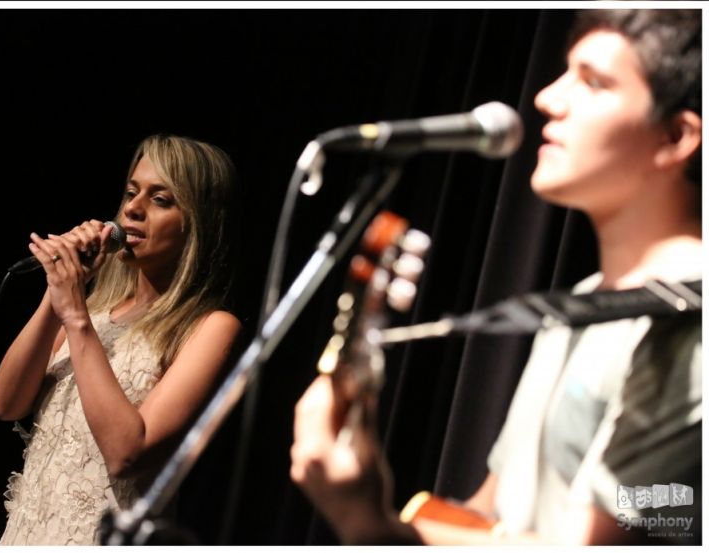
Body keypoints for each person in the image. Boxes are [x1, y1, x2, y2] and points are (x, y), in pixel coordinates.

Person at [290, 9, 701, 545]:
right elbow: (492, 515)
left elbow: (610, 540)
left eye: (593, 82)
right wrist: (389, 522)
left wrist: (367, 523)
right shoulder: (582, 303)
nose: (548, 99)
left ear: (675, 136)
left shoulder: (689, 328)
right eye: (563, 73)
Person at [0, 134, 242, 545]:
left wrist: (74, 314)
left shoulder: (210, 328)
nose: (132, 209)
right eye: (131, 192)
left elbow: (128, 453)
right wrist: (56, 298)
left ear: (199, 223)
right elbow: (6, 403)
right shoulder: (92, 311)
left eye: (160, 200)